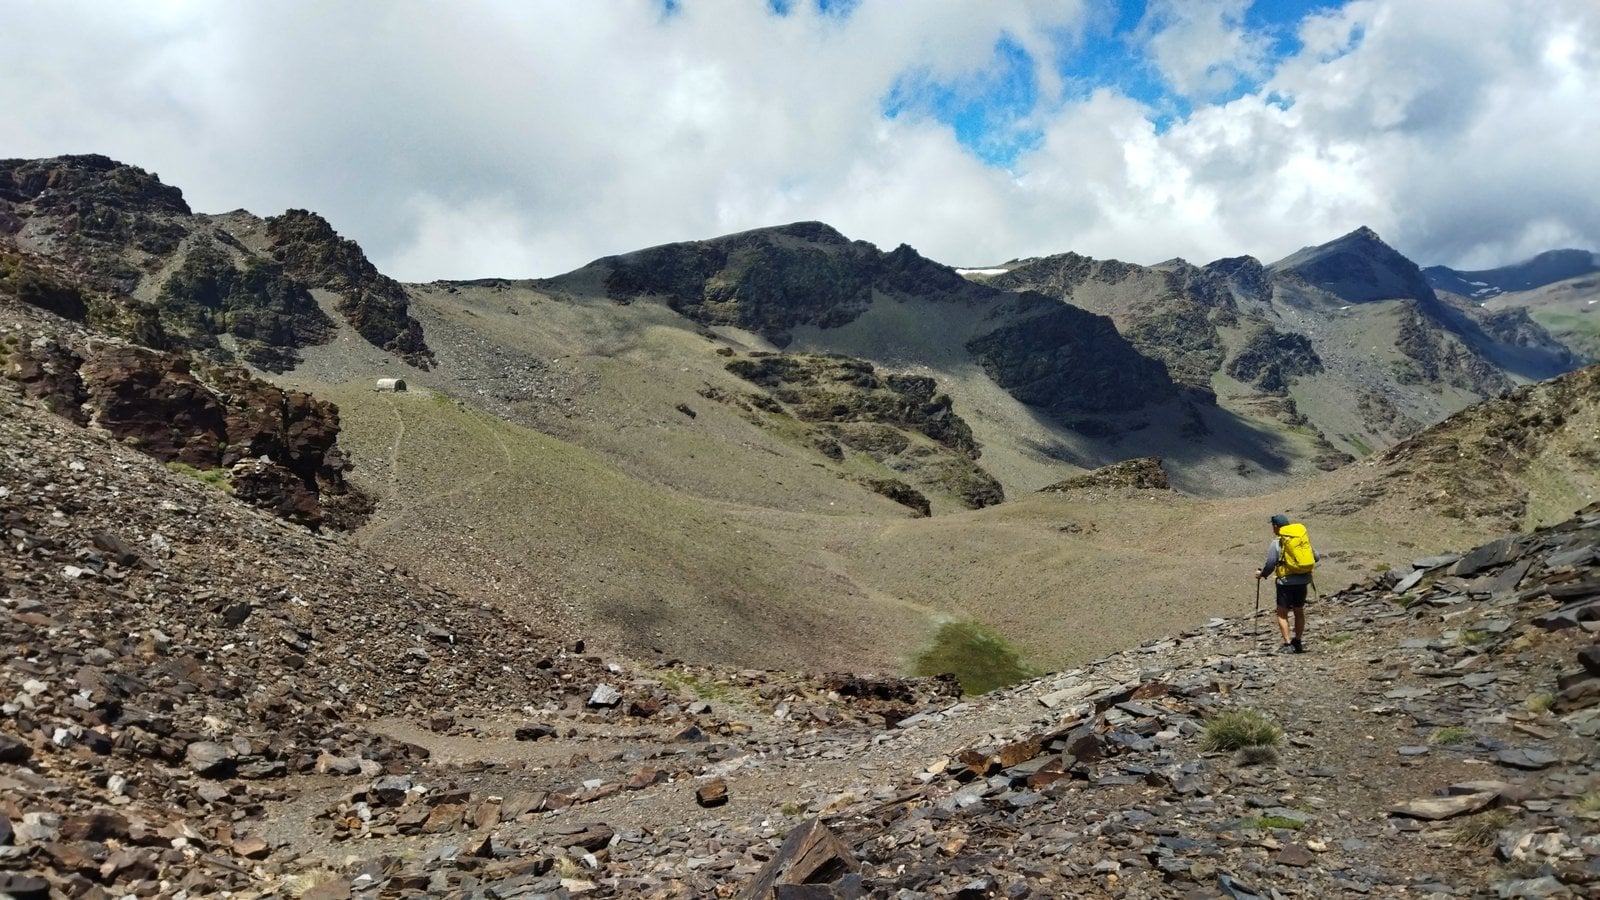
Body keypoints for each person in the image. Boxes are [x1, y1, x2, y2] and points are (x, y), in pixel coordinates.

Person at [1256, 513, 1313, 653]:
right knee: (1299, 611)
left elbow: (1270, 564)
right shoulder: (1301, 539)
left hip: (1285, 583)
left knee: (1282, 613)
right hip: (1302, 580)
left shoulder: (1278, 542)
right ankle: (1298, 642)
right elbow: (1315, 556)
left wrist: (1262, 574)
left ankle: (1288, 644)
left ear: (1276, 526)